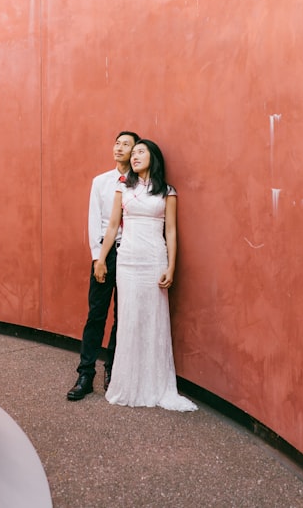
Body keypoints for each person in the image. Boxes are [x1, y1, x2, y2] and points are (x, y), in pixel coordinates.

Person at [94, 139, 197, 411]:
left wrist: (171, 266)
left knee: (153, 320)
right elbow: (114, 225)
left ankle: (154, 384)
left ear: (154, 157)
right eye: (134, 152)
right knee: (128, 319)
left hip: (154, 260)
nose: (135, 156)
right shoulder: (123, 188)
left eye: (141, 152)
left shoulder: (167, 191)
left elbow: (172, 232)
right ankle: (127, 384)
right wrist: (101, 258)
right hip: (127, 261)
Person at [66, 130, 141, 401]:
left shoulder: (139, 184)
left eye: (126, 145)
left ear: (135, 152)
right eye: (117, 143)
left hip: (131, 254)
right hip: (106, 255)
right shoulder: (101, 182)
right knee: (96, 314)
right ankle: (85, 374)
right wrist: (97, 258)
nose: (119, 148)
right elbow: (94, 220)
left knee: (123, 317)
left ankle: (113, 370)